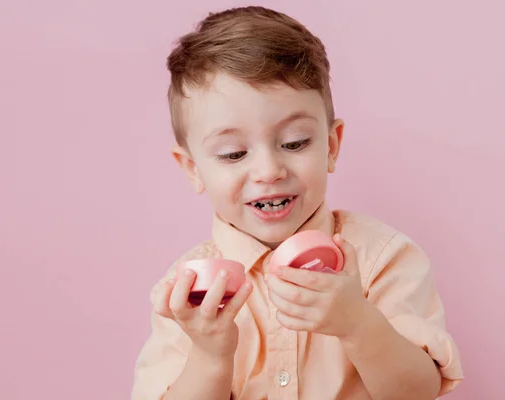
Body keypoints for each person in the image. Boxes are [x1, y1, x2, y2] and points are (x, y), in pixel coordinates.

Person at [131, 6, 463, 400]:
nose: (269, 171)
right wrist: (210, 354)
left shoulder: (383, 259)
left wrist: (359, 324)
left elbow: (418, 392)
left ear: (331, 146)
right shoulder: (185, 295)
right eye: (234, 154)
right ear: (193, 169)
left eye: (294, 143)